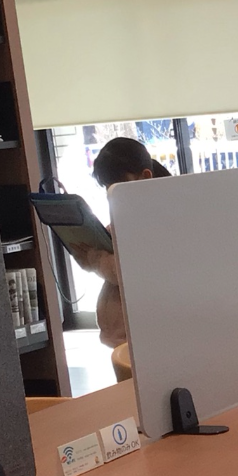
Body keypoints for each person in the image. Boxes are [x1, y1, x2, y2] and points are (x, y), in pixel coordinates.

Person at [71, 137, 169, 348]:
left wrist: (96, 259)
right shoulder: (131, 213)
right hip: (123, 339)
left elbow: (130, 271)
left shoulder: (161, 217)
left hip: (146, 339)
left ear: (145, 176)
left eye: (116, 186)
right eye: (107, 187)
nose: (110, 194)